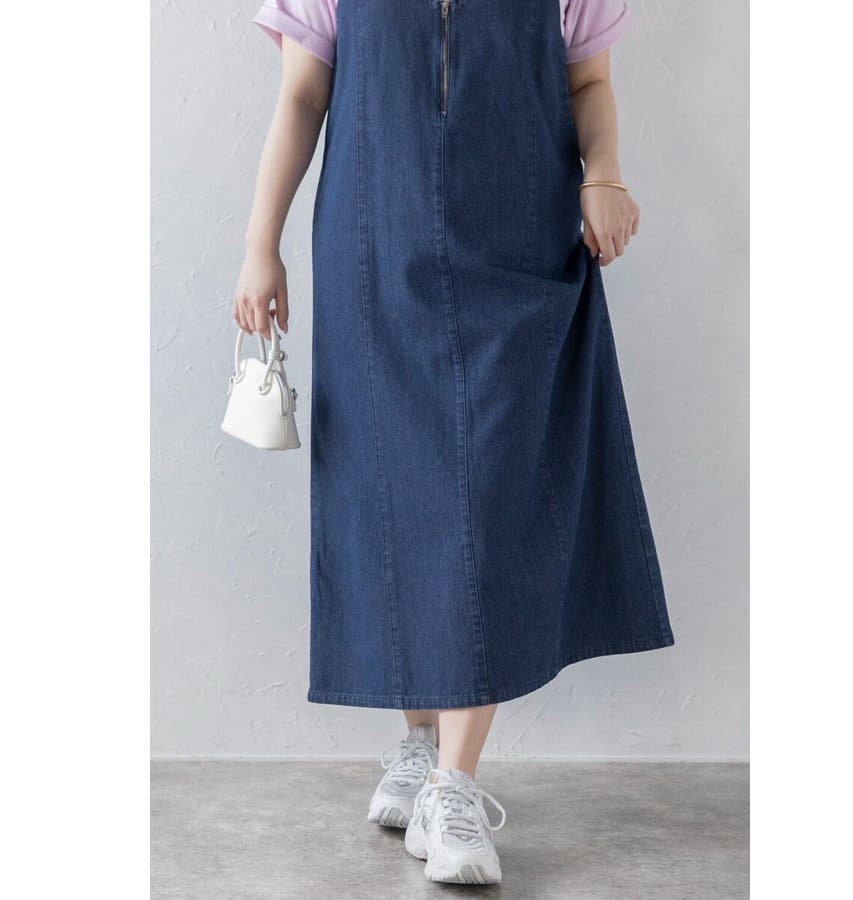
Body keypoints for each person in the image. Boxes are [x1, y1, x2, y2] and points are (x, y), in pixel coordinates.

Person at [233, 0, 674, 885]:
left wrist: (605, 174)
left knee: (489, 510)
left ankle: (454, 785)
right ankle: (422, 744)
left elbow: (589, 81)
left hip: (521, 255)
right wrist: (259, 245)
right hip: (374, 251)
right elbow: (303, 96)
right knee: (398, 502)